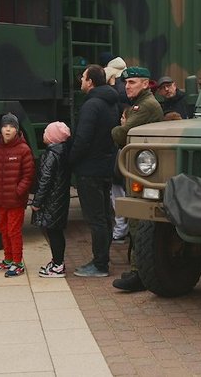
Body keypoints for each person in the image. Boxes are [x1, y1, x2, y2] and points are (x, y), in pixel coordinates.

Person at [111, 66, 163, 293]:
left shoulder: (146, 106)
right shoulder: (139, 105)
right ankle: (138, 270)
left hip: (143, 170)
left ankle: (139, 273)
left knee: (138, 220)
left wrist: (121, 125)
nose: (127, 86)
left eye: (132, 82)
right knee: (135, 219)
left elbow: (121, 134)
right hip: (138, 167)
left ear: (145, 83)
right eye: (126, 83)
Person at [69, 64, 119, 278]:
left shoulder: (91, 105)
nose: (80, 80)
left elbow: (83, 139)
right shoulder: (111, 103)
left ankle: (99, 264)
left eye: (83, 77)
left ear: (90, 82)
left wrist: (70, 161)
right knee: (105, 216)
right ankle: (102, 259)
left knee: (96, 218)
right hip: (105, 166)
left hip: (89, 169)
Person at [0, 113, 35, 277]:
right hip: (1, 199)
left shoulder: (23, 150)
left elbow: (28, 176)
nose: (8, 129)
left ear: (17, 130)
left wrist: (18, 191)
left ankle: (18, 262)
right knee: (3, 229)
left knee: (14, 231)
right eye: (5, 126)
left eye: (12, 127)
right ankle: (7, 259)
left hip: (15, 200)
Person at [31, 121, 72, 278]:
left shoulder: (51, 155)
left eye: (46, 133)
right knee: (57, 231)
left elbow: (45, 180)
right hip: (59, 200)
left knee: (53, 232)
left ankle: (58, 265)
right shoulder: (63, 152)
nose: (44, 135)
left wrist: (37, 202)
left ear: (53, 137)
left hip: (51, 201)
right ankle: (56, 262)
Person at [103, 56, 130, 242]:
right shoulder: (125, 88)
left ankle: (121, 229)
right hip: (124, 146)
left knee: (117, 189)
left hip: (120, 146)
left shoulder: (117, 90)